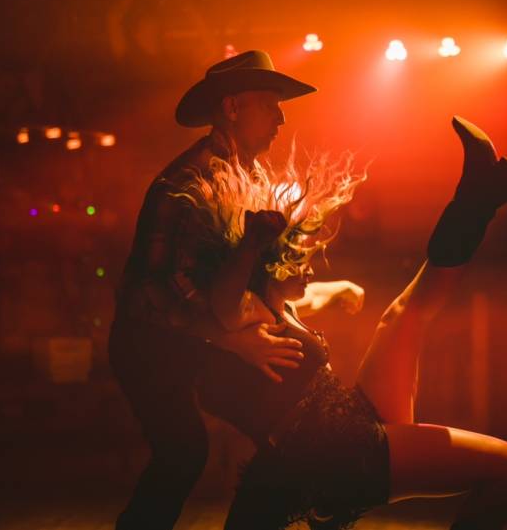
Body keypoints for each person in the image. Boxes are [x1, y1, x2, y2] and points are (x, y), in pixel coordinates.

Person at [177, 109, 507, 530]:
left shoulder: (281, 308)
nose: (311, 271)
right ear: (272, 266)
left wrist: (340, 287)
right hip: (344, 449)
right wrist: (251, 244)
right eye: (302, 261)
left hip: (348, 423)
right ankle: (476, 198)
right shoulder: (246, 312)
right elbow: (227, 302)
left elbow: (316, 294)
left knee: (404, 313)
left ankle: (475, 199)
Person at [109, 50, 362, 530]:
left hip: (198, 340)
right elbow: (159, 293)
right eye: (269, 105)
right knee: (183, 451)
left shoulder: (252, 175)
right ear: (231, 108)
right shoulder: (186, 181)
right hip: (149, 344)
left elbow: (244, 279)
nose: (281, 118)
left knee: (277, 432)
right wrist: (228, 338)